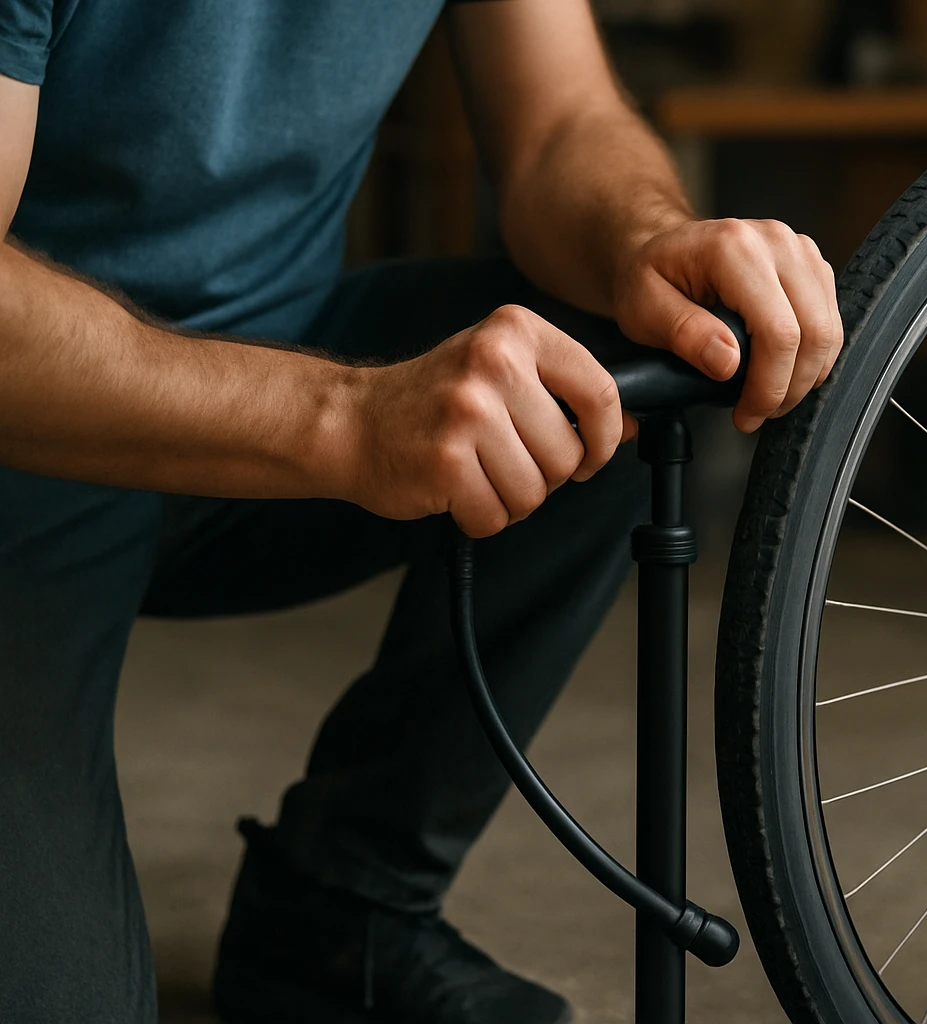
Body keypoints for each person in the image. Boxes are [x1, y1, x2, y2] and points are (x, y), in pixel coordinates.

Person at [0, 1, 842, 1021]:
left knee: (625, 371)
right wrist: (346, 421)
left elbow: (559, 126)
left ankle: (342, 905)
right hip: (35, 428)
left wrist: (650, 238)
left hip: (277, 365)